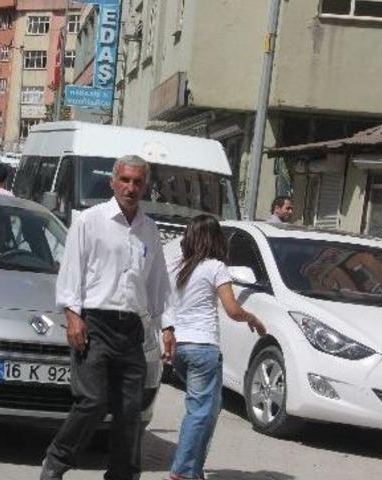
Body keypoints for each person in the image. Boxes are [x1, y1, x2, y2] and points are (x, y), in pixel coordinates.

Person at [40, 155, 172, 480]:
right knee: (93, 402)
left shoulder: (149, 231)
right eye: (125, 180)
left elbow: (158, 285)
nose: (131, 187)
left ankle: (122, 475)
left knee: (130, 411)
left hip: (131, 330)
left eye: (137, 182)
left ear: (146, 186)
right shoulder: (89, 221)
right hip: (94, 324)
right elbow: (71, 273)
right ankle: (56, 463)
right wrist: (73, 317)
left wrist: (167, 325)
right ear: (112, 182)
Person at [163, 215, 267, 480]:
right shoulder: (216, 267)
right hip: (202, 347)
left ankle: (193, 469)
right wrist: (252, 318)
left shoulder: (179, 266)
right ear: (215, 238)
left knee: (209, 407)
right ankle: (183, 471)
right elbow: (232, 309)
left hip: (181, 347)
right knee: (200, 411)